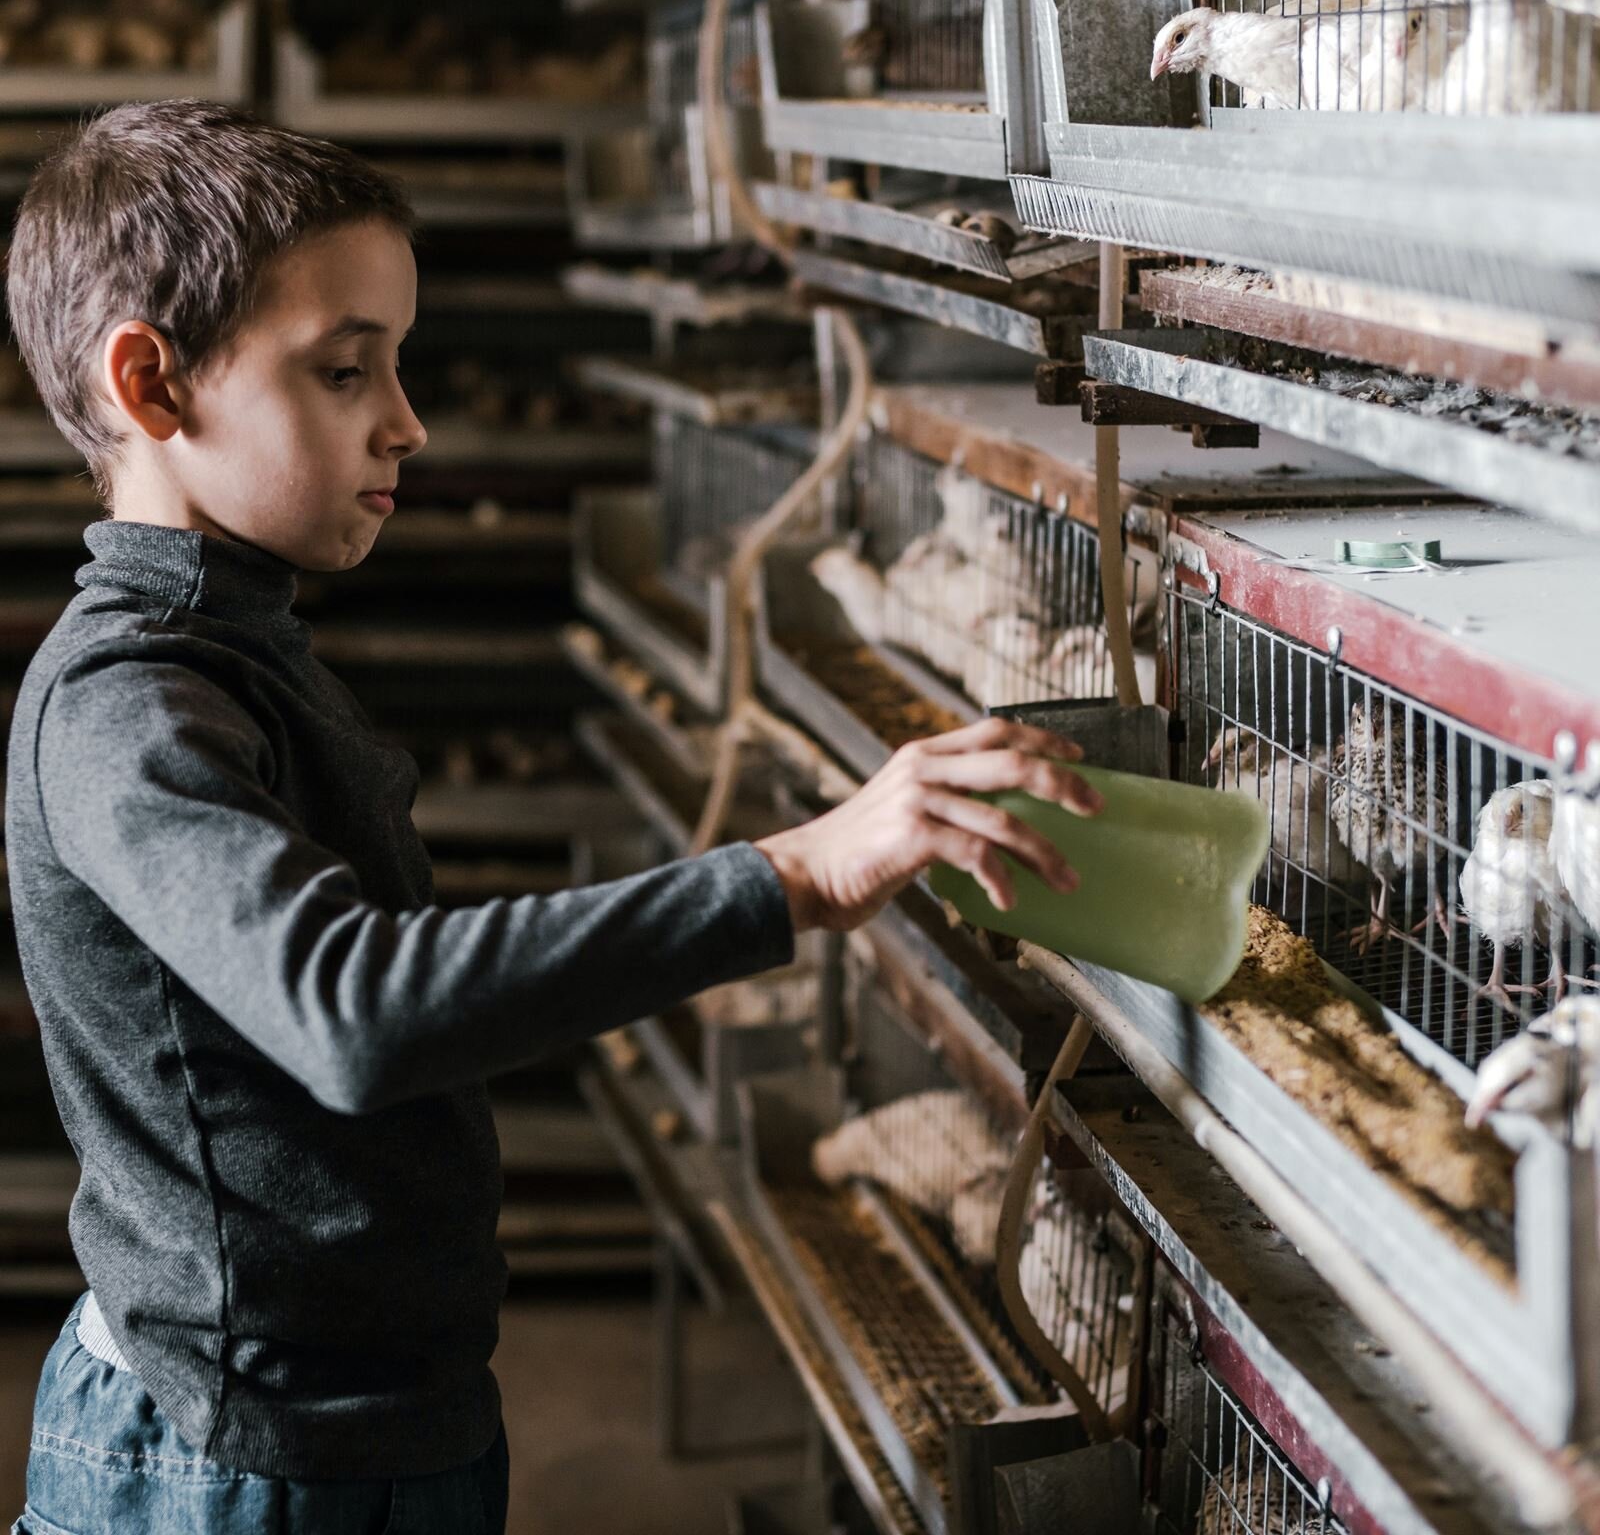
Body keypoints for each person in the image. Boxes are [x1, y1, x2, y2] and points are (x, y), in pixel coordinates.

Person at [2, 99, 1098, 1534]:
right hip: (242, 1453)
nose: (410, 420)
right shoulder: (125, 707)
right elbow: (354, 1007)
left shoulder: (236, 651)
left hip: (367, 1408)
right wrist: (795, 874)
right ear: (153, 386)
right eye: (345, 371)